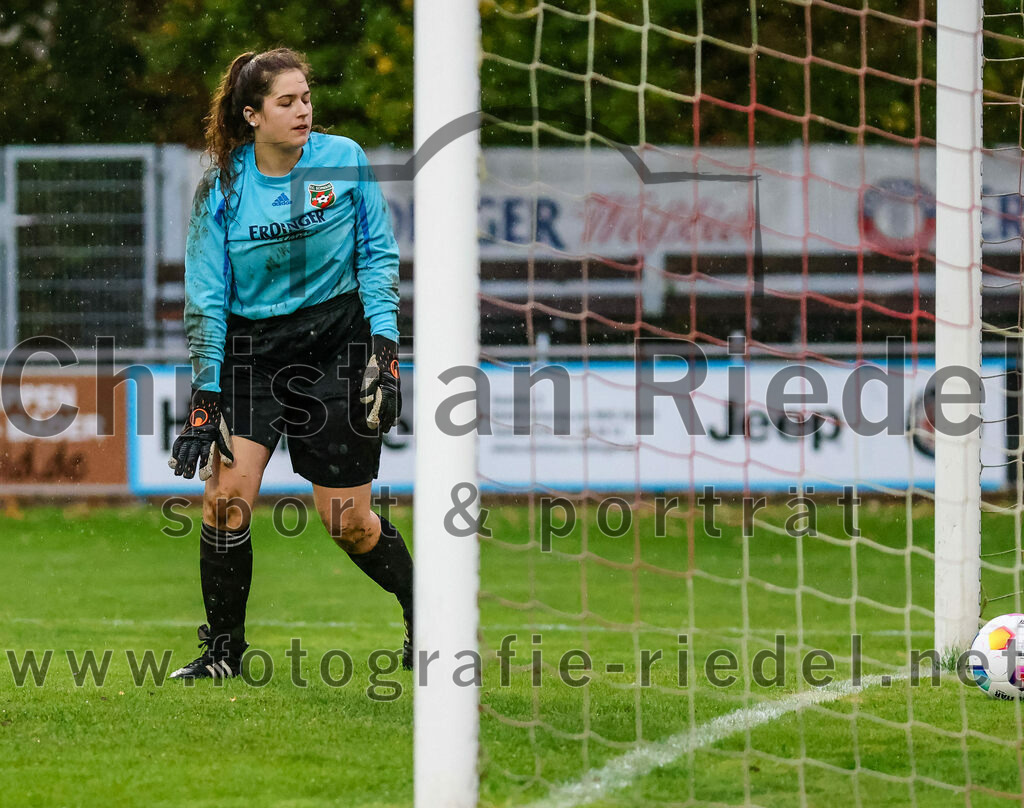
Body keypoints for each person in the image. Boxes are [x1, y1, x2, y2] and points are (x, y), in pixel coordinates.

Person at [166, 47, 413, 679]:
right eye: (286, 102)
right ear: (252, 115)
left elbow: (377, 257)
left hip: (338, 343)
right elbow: (206, 296)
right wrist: (205, 392)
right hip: (254, 351)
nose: (302, 111)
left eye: (306, 99)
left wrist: (385, 352)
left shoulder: (345, 159)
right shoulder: (223, 185)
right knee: (224, 500)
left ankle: (427, 613)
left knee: (349, 523)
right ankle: (223, 654)